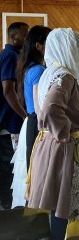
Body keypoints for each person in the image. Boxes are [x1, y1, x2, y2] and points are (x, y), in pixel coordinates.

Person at [26, 28, 79, 239]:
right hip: (63, 148)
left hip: (52, 144)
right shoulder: (65, 77)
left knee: (53, 197)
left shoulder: (51, 72)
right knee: (62, 202)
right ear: (68, 50)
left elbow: (42, 108)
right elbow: (51, 108)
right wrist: (66, 134)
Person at [0, 22, 29, 209]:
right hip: (8, 121)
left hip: (13, 120)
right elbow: (8, 90)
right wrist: (25, 115)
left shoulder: (16, 55)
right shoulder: (9, 55)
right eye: (24, 36)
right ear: (13, 37)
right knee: (7, 166)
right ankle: (6, 207)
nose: (26, 40)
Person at [16, 25, 52, 170]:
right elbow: (39, 106)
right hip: (37, 122)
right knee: (37, 169)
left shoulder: (31, 67)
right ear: (39, 46)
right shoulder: (38, 69)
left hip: (32, 120)